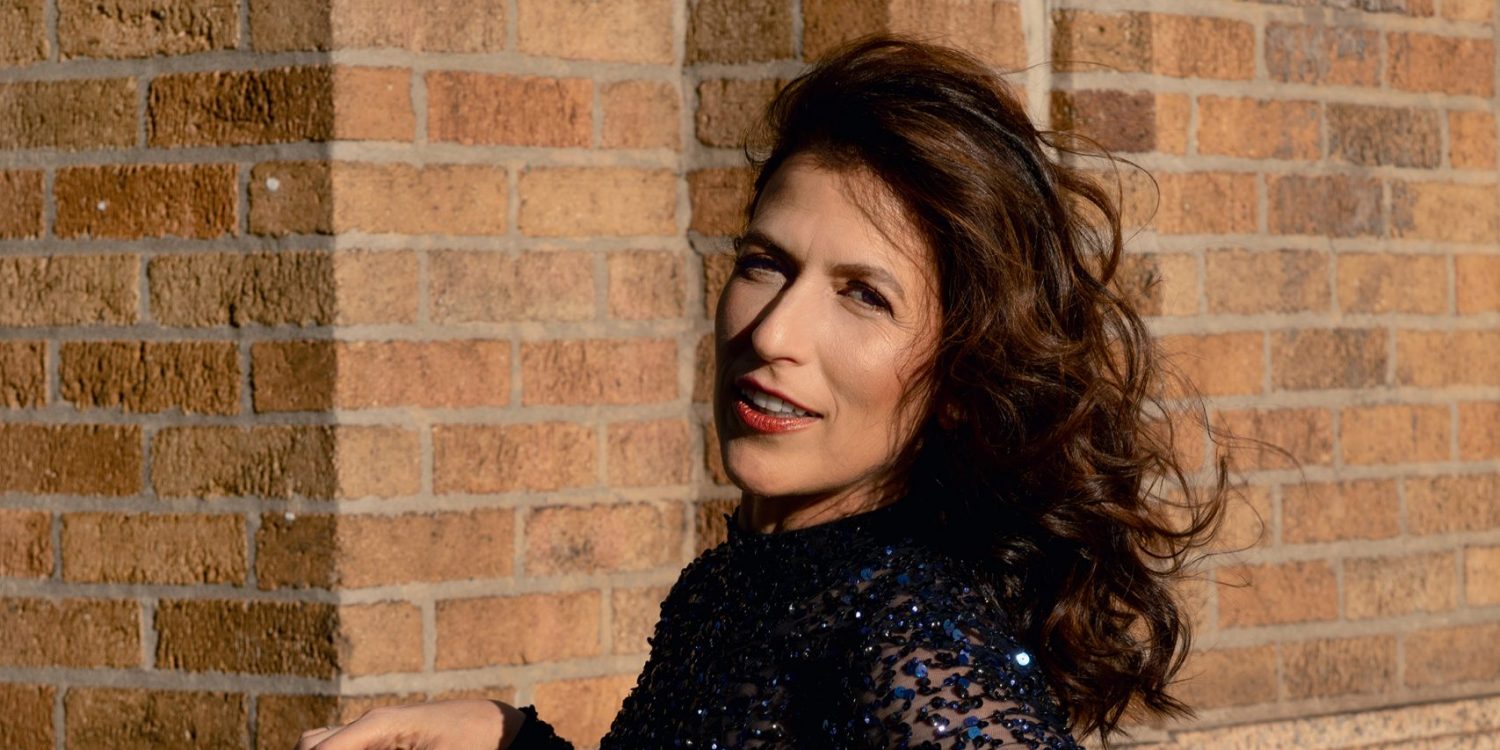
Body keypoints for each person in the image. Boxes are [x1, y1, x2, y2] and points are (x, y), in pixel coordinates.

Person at [296, 35, 1225, 750]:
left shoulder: (910, 643)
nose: (772, 334)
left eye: (864, 295)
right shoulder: (739, 582)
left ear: (957, 379)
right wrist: (508, 734)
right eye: (764, 264)